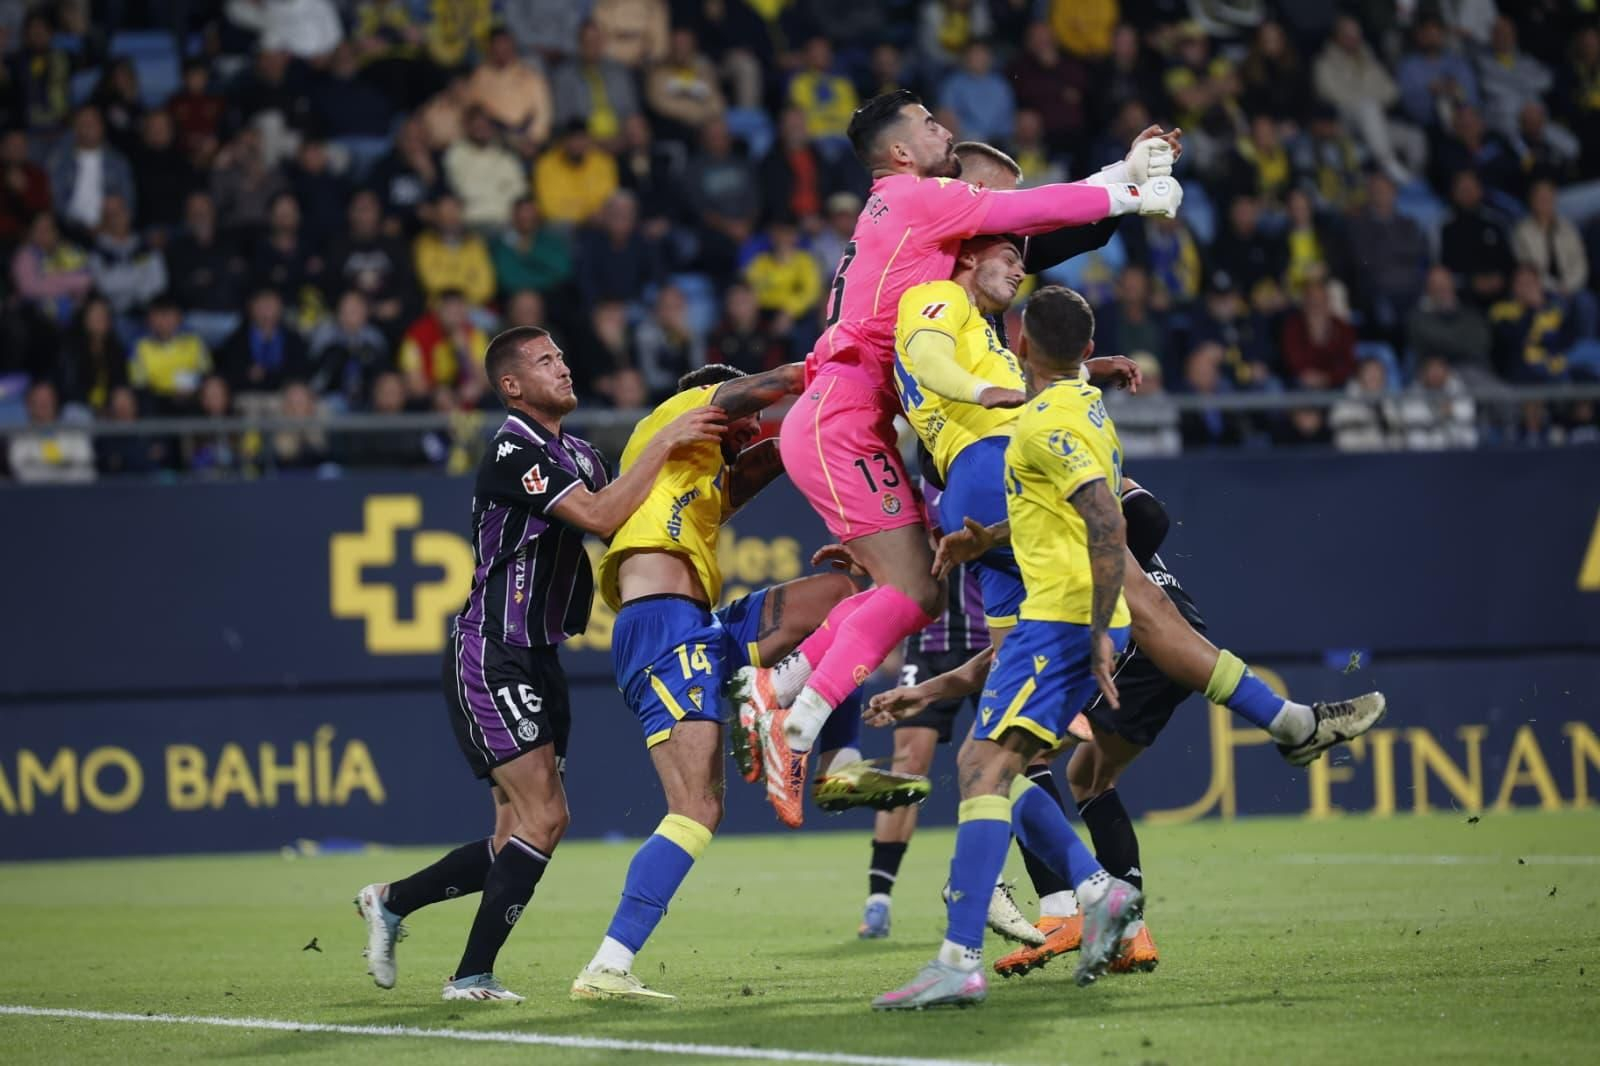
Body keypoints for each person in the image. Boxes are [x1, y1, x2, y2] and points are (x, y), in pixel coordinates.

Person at [749, 89, 1183, 828]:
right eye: (928, 123)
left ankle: (790, 698)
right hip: (846, 417)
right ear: (900, 153)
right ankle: (789, 712)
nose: (942, 128)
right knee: (920, 590)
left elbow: (1036, 236)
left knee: (909, 587)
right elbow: (1032, 215)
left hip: (846, 416)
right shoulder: (920, 202)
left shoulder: (918, 241)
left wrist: (1123, 176)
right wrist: (1135, 188)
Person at [355, 325, 725, 1001]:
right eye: (546, 360)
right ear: (512, 385)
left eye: (561, 355)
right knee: (545, 820)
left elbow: (628, 523)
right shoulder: (510, 447)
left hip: (539, 658)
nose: (563, 366)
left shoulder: (580, 452)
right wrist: (667, 439)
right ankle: (469, 976)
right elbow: (597, 513)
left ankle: (392, 901)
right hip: (491, 651)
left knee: (517, 835)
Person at [572, 361, 910, 1001]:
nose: (753, 427)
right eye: (745, 418)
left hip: (701, 627)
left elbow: (782, 450)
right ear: (713, 403)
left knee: (840, 595)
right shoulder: (668, 426)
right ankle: (607, 965)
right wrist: (843, 367)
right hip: (660, 632)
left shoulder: (700, 478)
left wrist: (848, 426)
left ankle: (834, 757)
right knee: (697, 808)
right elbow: (773, 386)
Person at [873, 285, 1143, 1009]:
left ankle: (964, 958)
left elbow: (1112, 520)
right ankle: (1093, 889)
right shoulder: (1071, 406)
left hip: (1059, 621)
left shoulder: (1030, 426)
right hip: (1058, 619)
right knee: (992, 764)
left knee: (985, 768)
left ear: (1018, 341)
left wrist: (1095, 633)